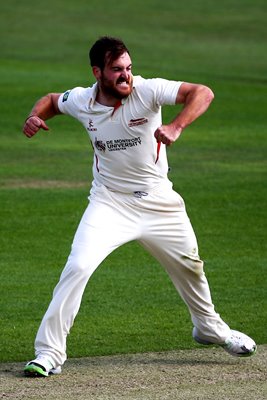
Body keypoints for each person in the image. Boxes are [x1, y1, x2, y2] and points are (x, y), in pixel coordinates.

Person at [23, 36, 256, 377]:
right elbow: (52, 101)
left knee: (191, 268)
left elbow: (202, 92)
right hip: (109, 203)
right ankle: (48, 353)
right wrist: (33, 116)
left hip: (159, 202)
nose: (126, 76)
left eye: (129, 68)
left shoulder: (147, 91)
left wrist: (176, 125)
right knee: (78, 266)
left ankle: (210, 329)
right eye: (117, 70)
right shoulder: (82, 100)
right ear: (97, 72)